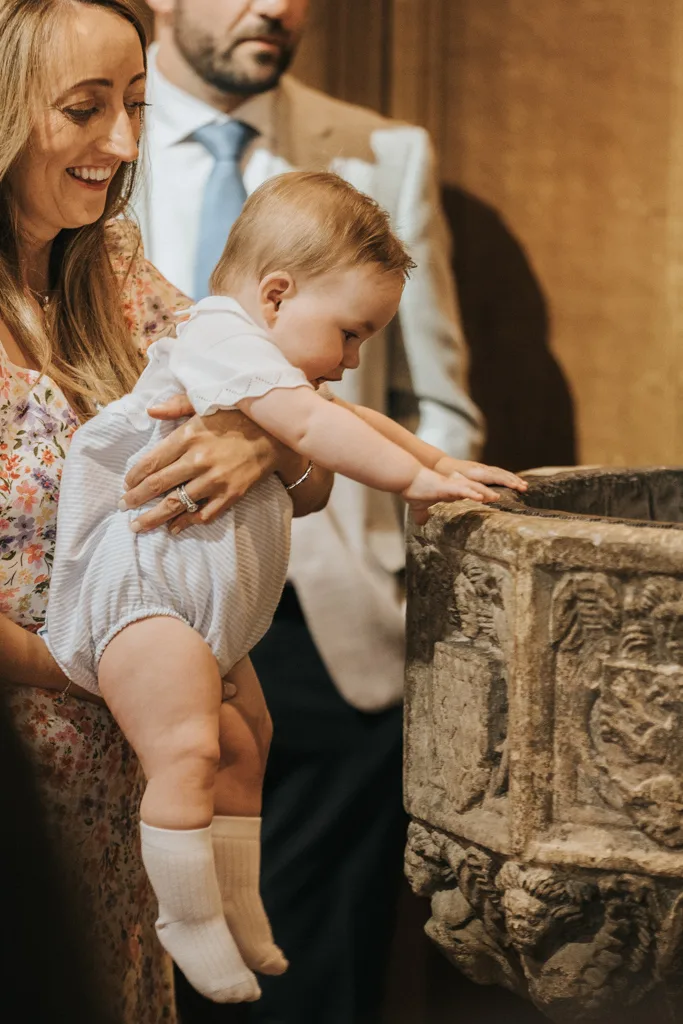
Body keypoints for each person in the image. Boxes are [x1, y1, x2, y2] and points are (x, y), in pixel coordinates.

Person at [44, 169, 525, 1005]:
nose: (353, 357)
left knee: (245, 745)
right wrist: (412, 489)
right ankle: (183, 924)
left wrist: (439, 460)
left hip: (204, 615)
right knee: (190, 751)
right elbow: (311, 428)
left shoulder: (265, 357)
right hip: (146, 600)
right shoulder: (221, 338)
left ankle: (235, 907)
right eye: (348, 334)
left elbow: (354, 422)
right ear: (275, 294)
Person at [138, 2, 485, 1020]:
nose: (277, 6)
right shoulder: (66, 143)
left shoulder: (382, 152)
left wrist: (415, 498)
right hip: (152, 589)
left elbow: (435, 398)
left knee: (312, 974)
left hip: (330, 632)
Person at [0, 2, 332, 1022]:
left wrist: (258, 441)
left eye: (136, 104)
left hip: (134, 789)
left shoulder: (114, 276)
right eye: (85, 109)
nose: (123, 145)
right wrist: (102, 662)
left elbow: (312, 463)